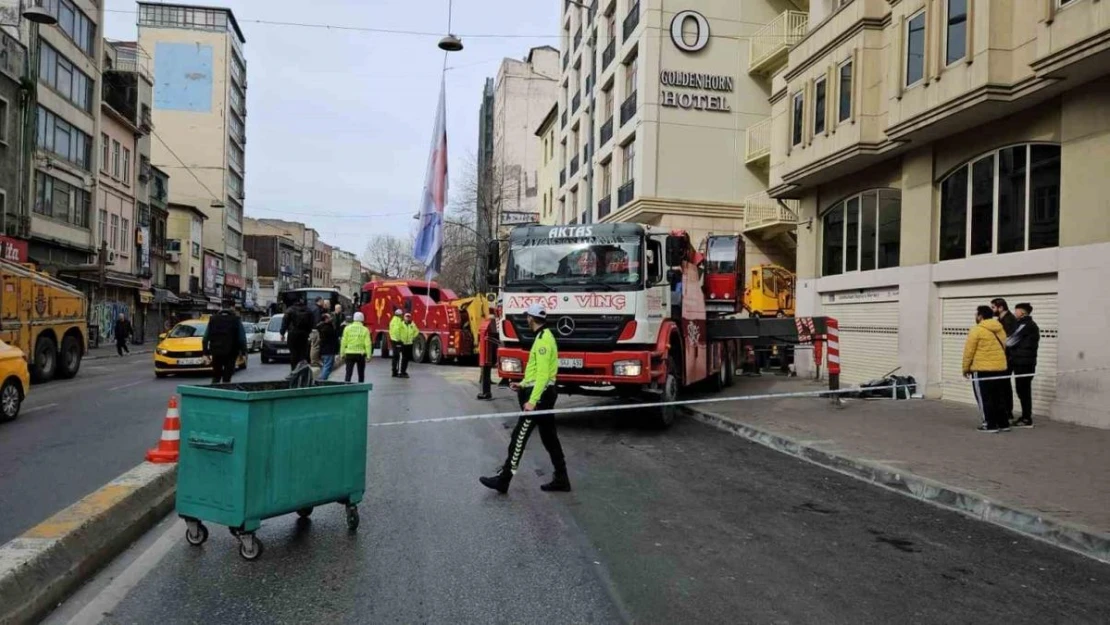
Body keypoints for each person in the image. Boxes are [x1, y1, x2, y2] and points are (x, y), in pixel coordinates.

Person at [480, 303, 570, 493]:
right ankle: (562, 478)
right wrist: (522, 384)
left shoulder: (544, 340)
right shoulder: (542, 336)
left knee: (518, 438)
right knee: (549, 438)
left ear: (531, 318)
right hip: (541, 393)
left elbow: (544, 375)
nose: (526, 319)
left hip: (540, 397)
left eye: (527, 317)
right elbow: (537, 372)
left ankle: (504, 480)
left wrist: (533, 400)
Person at [963, 305, 1011, 433]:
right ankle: (1003, 423)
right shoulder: (1000, 329)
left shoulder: (976, 330)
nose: (975, 316)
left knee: (984, 398)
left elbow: (969, 351)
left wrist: (965, 368)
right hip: (1000, 368)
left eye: (976, 314)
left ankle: (989, 424)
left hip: (982, 369)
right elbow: (1005, 346)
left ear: (980, 316)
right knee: (999, 397)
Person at [1007, 303, 1040, 428]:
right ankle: (1025, 416)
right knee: (1022, 390)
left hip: (1024, 363)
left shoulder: (1026, 325)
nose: (1015, 313)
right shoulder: (1024, 324)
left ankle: (1027, 418)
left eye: (1016, 311)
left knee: (1023, 390)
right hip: (1022, 362)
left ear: (1022, 312)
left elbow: (1010, 341)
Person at [990, 297, 1019, 422]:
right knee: (1001, 385)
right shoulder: (1001, 319)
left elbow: (1008, 340)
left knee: (1004, 385)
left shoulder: (1009, 320)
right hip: (1003, 357)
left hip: (1008, 358)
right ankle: (1003, 411)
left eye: (993, 307)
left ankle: (1007, 412)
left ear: (1000, 307)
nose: (992, 310)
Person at [202, 308, 246, 384]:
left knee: (216, 376)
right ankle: (225, 391)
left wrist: (205, 353)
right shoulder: (236, 320)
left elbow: (205, 338)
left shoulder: (213, 320)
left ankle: (214, 392)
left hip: (216, 352)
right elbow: (242, 339)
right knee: (227, 377)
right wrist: (243, 352)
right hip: (231, 353)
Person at [281, 298, 313, 370]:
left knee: (293, 353)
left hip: (293, 334)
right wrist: (308, 332)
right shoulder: (308, 310)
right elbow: (311, 323)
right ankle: (302, 369)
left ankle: (294, 370)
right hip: (304, 335)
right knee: (303, 353)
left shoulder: (290, 310)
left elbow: (285, 323)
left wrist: (282, 333)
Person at [340, 311, 372, 383]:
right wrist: (368, 355)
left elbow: (343, 342)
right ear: (362, 319)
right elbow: (368, 344)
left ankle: (346, 387)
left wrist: (342, 353)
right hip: (360, 354)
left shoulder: (347, 328)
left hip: (349, 353)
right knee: (361, 374)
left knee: (348, 373)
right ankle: (360, 388)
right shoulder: (365, 329)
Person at [317, 312, 340, 380]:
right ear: (326, 319)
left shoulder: (322, 327)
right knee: (327, 366)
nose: (331, 318)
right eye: (329, 317)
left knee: (326, 365)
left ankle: (322, 378)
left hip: (325, 350)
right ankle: (322, 380)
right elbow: (334, 337)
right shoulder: (327, 328)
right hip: (328, 350)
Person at [399, 312, 419, 378]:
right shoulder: (401, 324)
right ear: (404, 317)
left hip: (409, 343)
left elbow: (417, 331)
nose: (407, 318)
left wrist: (413, 337)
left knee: (407, 359)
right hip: (403, 343)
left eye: (408, 317)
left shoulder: (412, 325)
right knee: (403, 358)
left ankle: (404, 371)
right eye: (406, 317)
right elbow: (397, 332)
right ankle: (401, 372)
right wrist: (399, 339)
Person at [389, 308, 405, 377]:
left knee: (394, 356)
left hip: (393, 339)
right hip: (397, 341)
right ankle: (398, 372)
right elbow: (397, 330)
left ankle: (394, 371)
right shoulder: (398, 321)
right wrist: (399, 339)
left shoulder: (392, 320)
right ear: (400, 315)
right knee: (399, 356)